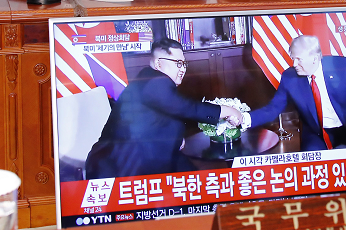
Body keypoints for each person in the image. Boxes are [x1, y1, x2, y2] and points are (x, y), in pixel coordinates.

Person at [85, 38, 242, 179]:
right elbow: (185, 107)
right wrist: (226, 110)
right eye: (178, 63)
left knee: (195, 187)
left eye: (184, 64)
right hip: (118, 167)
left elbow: (168, 114)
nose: (183, 69)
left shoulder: (151, 80)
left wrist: (177, 137)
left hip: (150, 157)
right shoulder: (155, 81)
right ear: (159, 63)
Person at [242, 35, 346, 151]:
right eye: (293, 59)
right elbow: (273, 109)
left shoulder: (341, 66)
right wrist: (244, 118)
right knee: (311, 160)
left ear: (315, 58)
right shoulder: (290, 77)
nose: (294, 64)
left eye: (298, 59)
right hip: (318, 131)